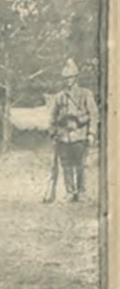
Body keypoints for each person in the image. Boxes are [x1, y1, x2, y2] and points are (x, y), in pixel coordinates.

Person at [49, 59, 99, 202]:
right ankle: (70, 192)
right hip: (64, 136)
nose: (68, 81)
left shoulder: (85, 94)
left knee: (80, 164)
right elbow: (52, 116)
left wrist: (91, 133)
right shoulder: (59, 97)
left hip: (80, 134)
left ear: (76, 78)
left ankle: (82, 192)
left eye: (70, 77)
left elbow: (94, 114)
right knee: (66, 165)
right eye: (65, 78)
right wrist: (52, 132)